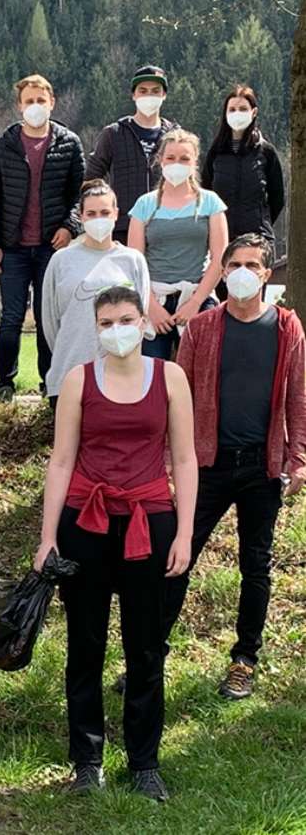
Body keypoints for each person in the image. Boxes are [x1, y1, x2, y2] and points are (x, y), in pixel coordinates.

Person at [34, 285, 195, 802]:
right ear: (96, 327)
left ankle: (145, 763)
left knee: (146, 649)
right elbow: (61, 461)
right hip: (88, 523)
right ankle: (87, 761)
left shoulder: (170, 376)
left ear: (144, 323)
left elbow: (185, 459)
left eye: (127, 319)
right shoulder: (80, 381)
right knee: (85, 646)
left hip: (151, 523)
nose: (117, 329)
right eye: (107, 322)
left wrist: (186, 532)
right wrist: (47, 536)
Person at [166, 234, 306, 700]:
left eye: (252, 265)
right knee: (175, 561)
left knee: (256, 567)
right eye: (234, 265)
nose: (242, 272)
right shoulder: (202, 329)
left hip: (261, 469)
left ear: (267, 274)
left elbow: (298, 399)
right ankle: (152, 651)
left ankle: (244, 659)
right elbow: (177, 398)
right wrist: (169, 457)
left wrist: (297, 457)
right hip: (205, 465)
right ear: (222, 273)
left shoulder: (287, 328)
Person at [0, 74, 85, 402]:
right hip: (12, 249)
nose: (35, 106)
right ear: (19, 106)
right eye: (29, 101)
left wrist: (69, 227)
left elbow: (78, 195)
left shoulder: (69, 144)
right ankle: (5, 383)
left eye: (41, 100)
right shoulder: (3, 146)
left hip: (50, 248)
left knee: (47, 319)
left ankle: (49, 382)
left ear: (52, 102)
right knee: (11, 317)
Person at [41, 180, 150, 405]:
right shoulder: (61, 260)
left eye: (104, 212)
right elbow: (51, 323)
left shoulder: (133, 260)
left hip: (121, 380)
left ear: (116, 214)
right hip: (70, 376)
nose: (98, 218)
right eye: (91, 213)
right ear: (81, 216)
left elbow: (140, 319)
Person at [127, 129, 228, 361]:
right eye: (171, 158)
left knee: (201, 374)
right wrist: (151, 306)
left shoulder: (210, 202)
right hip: (153, 301)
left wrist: (195, 303)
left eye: (184, 158)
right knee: (152, 375)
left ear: (194, 163)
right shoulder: (144, 205)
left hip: (197, 297)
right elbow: (134, 262)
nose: (176, 163)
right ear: (160, 160)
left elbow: (219, 259)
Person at [85, 65, 179, 241]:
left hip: (165, 228)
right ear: (134, 95)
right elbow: (91, 180)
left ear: (164, 95)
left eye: (155, 91)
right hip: (122, 228)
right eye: (143, 91)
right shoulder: (114, 134)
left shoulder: (175, 136)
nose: (149, 96)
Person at [202, 85, 285, 261]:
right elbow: (205, 191)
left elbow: (277, 198)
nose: (237, 113)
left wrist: (261, 222)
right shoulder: (216, 153)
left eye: (242, 109)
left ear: (253, 112)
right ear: (225, 113)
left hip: (258, 241)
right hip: (222, 241)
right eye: (232, 109)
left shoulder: (266, 152)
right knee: (224, 289)